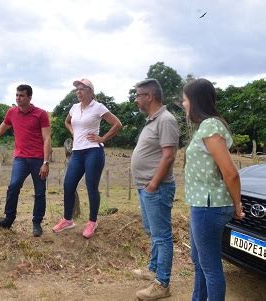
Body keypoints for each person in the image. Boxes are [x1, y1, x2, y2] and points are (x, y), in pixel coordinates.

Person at [182, 78, 244, 301]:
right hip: (202, 205)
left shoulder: (209, 127)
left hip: (210, 206)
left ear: (195, 101)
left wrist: (237, 204)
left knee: (210, 267)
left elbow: (231, 172)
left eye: (185, 99)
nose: (183, 104)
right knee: (199, 261)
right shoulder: (206, 127)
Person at [0, 84, 51, 237]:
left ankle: (36, 223)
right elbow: (0, 129)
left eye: (22, 95)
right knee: (14, 186)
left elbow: (47, 138)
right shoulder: (12, 112)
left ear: (29, 97)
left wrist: (46, 162)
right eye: (17, 95)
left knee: (40, 191)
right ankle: (8, 219)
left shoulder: (41, 114)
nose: (18, 98)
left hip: (38, 158)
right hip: (21, 158)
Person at [52, 78, 122, 238]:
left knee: (91, 187)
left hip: (93, 152)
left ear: (90, 92)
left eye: (82, 89)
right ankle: (68, 220)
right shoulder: (74, 108)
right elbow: (67, 121)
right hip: (77, 152)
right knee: (68, 185)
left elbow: (117, 124)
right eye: (77, 89)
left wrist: (103, 138)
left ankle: (92, 222)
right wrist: (72, 131)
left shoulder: (98, 107)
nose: (78, 91)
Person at [130, 79, 179, 299]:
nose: (136, 99)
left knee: (162, 236)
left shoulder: (166, 120)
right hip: (147, 187)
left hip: (156, 188)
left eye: (138, 95)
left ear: (149, 96)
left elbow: (169, 155)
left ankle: (162, 284)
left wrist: (153, 184)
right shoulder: (153, 120)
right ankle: (153, 270)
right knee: (153, 232)